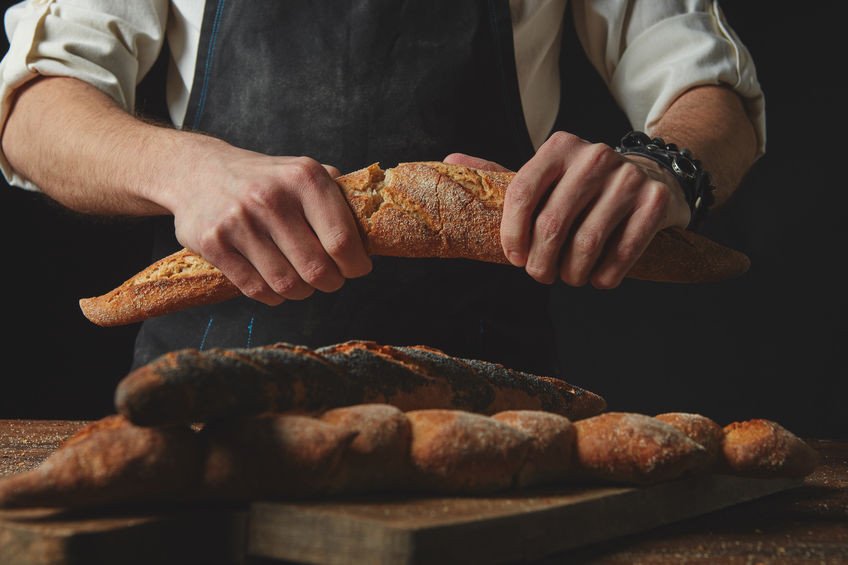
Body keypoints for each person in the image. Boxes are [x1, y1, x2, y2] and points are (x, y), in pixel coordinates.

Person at [0, 1, 763, 378]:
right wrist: (185, 169)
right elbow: (33, 107)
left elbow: (711, 90)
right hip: (208, 403)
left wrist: (664, 165)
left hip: (488, 407)